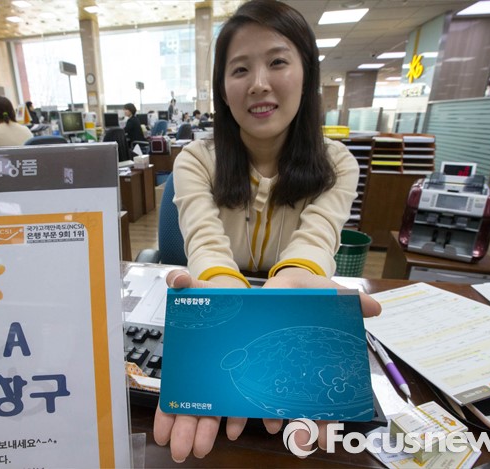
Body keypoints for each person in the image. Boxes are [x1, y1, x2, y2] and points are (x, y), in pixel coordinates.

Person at [153, 0, 382, 463]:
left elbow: (315, 242)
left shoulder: (338, 164)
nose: (258, 83)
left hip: (293, 314)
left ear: (306, 74)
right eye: (240, 69)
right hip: (220, 304)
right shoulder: (195, 160)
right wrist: (220, 290)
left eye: (277, 62)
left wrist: (295, 282)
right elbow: (205, 244)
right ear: (223, 88)